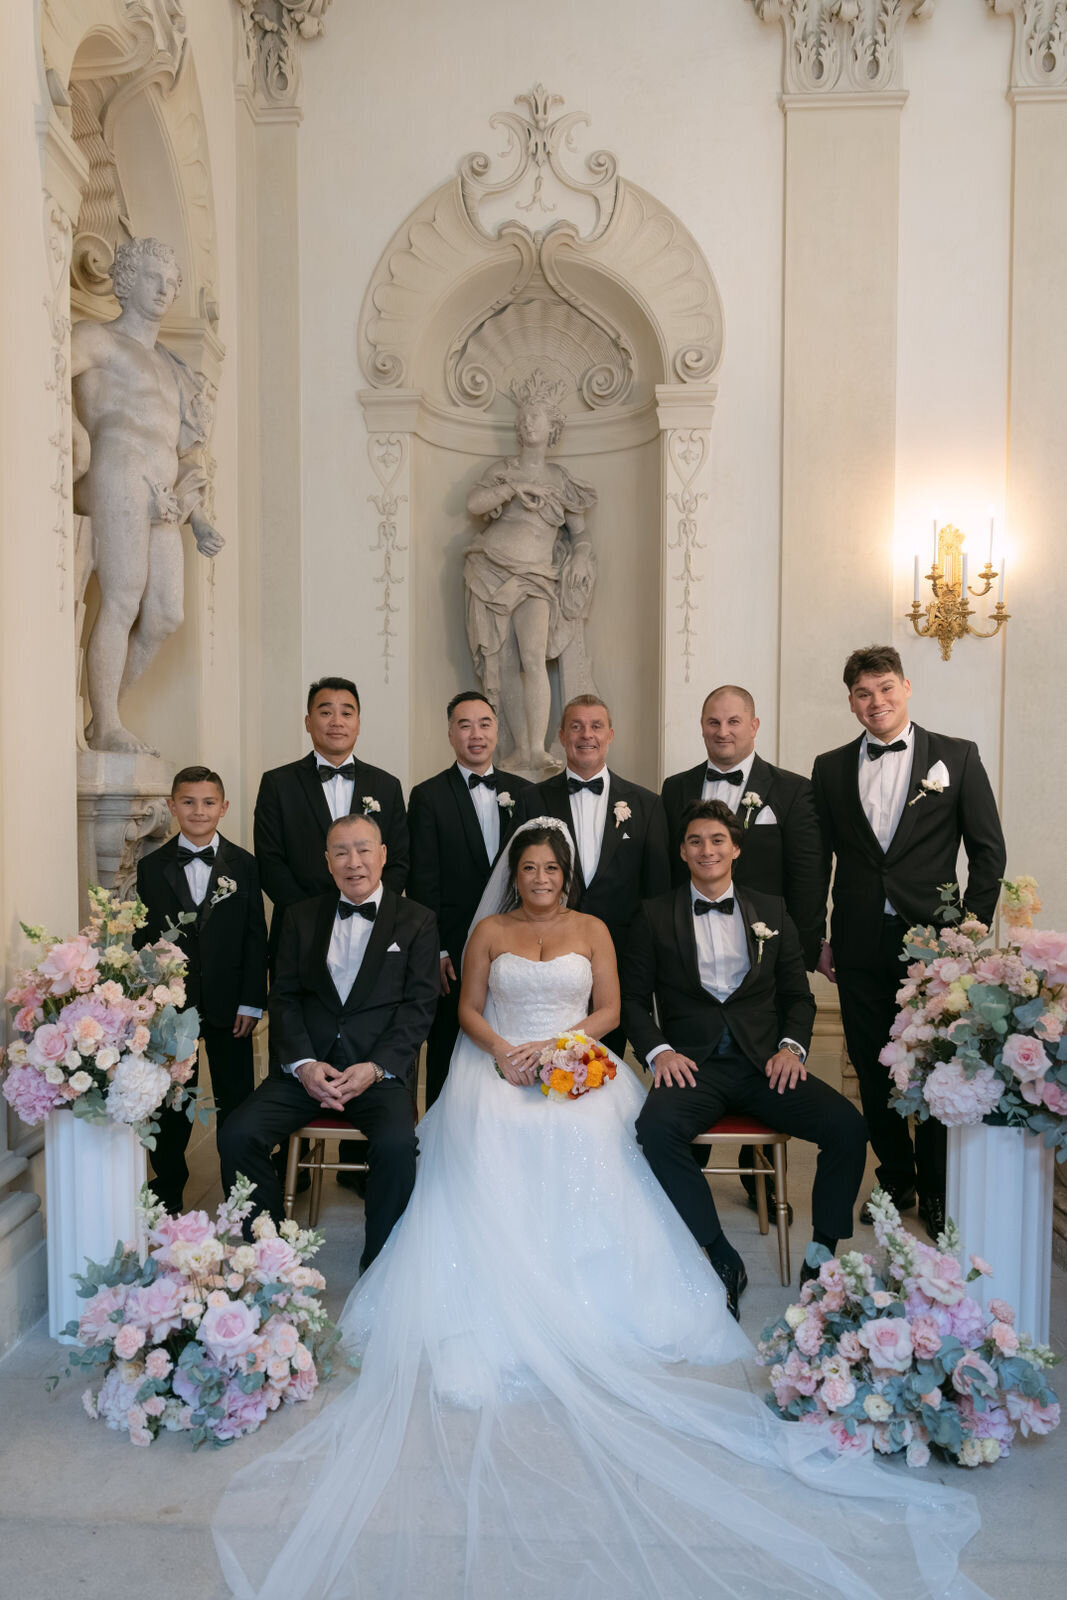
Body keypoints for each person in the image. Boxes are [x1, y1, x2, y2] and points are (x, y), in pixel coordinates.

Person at [214, 817, 988, 1600]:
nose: (539, 879)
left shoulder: (594, 928)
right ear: (514, 874)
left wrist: (561, 1046)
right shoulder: (488, 931)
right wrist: (505, 1050)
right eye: (528, 868)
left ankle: (687, 1263)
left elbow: (612, 1009)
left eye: (550, 868)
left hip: (575, 1059)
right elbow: (469, 1010)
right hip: (499, 1066)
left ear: (566, 874)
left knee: (603, 1138)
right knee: (490, 1134)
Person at [623, 800, 867, 1318]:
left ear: (735, 848)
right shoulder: (653, 914)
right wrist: (660, 1052)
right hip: (693, 1067)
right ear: (682, 851)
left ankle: (821, 1257)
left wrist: (791, 1048)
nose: (706, 850)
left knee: (847, 1126)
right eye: (695, 841)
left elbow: (798, 998)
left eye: (717, 840)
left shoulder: (771, 911)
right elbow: (633, 1001)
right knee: (654, 1132)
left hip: (763, 1066)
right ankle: (719, 1254)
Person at [812, 645, 1006, 1241]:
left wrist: (969, 933)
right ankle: (896, 1177)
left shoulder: (957, 756)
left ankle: (939, 1188)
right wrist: (818, 937)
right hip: (857, 941)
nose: (877, 702)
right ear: (852, 702)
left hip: (936, 947)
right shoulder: (829, 767)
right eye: (864, 693)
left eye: (886, 689)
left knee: (936, 1067)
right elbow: (817, 860)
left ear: (907, 688)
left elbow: (989, 852)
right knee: (874, 1067)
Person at [219, 814, 437, 1272]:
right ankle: (270, 1256)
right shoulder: (300, 917)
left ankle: (380, 1267)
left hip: (376, 1074)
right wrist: (303, 1064)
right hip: (307, 1071)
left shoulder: (417, 920)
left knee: (397, 1147)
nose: (353, 862)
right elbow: (284, 997)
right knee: (237, 1135)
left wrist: (375, 1068)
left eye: (363, 850)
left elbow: (419, 1008)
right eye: (341, 852)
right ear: (327, 860)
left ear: (382, 855)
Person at [662, 683, 829, 1214]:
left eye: (734, 721)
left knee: (765, 1061)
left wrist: (800, 951)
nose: (723, 731)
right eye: (713, 722)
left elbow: (809, 876)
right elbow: (667, 871)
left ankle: (765, 1181)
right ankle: (691, 1168)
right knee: (700, 1056)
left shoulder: (793, 790)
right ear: (701, 726)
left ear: (754, 726)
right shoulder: (675, 788)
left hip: (766, 954)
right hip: (695, 951)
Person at [254, 676, 410, 1182]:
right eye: (325, 711)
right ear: (308, 722)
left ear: (359, 722)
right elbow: (270, 861)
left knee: (362, 1027)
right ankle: (291, 1163)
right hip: (301, 932)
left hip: (372, 930)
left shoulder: (387, 785)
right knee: (300, 1028)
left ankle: (356, 1167)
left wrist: (368, 905)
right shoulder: (278, 783)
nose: (336, 720)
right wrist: (318, 915)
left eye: (346, 711)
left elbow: (398, 861)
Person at [71, 237, 223, 754]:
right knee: (122, 594)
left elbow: (186, 453)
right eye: (153, 278)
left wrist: (198, 517)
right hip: (117, 468)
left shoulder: (175, 370)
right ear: (127, 280)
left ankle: (97, 716)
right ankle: (108, 724)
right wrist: (75, 432)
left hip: (164, 494)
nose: (164, 290)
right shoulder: (97, 338)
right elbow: (42, 373)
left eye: (172, 283)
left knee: (164, 615)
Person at [135, 765, 267, 1214]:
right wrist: (150, 1003)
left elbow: (255, 937)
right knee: (172, 1104)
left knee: (237, 1099)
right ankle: (169, 1190)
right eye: (188, 802)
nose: (198, 811)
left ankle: (239, 1193)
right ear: (172, 806)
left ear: (224, 807)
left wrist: (252, 1000)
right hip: (173, 1007)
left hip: (232, 1005)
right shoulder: (150, 868)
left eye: (209, 802)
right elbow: (143, 941)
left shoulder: (245, 865)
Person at [514, 694, 670, 1054]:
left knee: (608, 1062)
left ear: (610, 734)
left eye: (596, 726)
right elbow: (518, 879)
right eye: (576, 726)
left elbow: (658, 891)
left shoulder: (647, 804)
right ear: (561, 736)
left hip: (623, 959)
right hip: (548, 962)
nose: (587, 735)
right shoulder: (531, 799)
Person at [464, 370, 599, 772]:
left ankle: (537, 749)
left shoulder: (559, 478)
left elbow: (580, 534)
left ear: (552, 425)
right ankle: (520, 748)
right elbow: (474, 504)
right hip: (489, 571)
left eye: (535, 416)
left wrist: (580, 556)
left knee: (534, 657)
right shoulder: (503, 469)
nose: (527, 423)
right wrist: (512, 488)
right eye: (522, 417)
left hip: (538, 577)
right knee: (504, 663)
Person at [407, 690, 532, 1106]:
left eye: (484, 724)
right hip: (454, 947)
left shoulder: (524, 792)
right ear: (450, 734)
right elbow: (423, 880)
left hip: (516, 946)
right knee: (448, 1044)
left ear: (497, 731)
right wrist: (438, 948)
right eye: (464, 725)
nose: (475, 734)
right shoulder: (427, 796)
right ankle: (442, 1129)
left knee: (512, 1040)